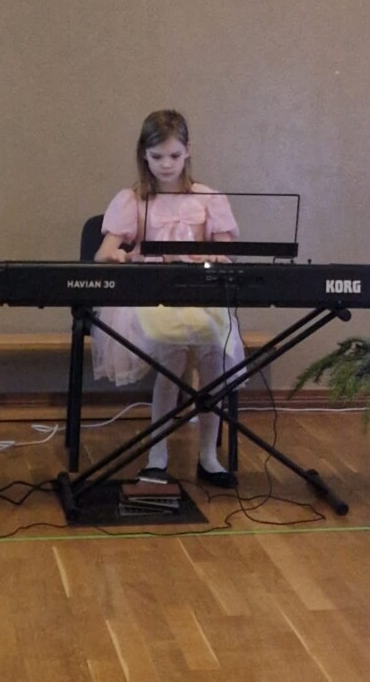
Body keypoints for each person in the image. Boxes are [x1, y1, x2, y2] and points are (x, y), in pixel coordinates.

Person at [92, 109, 244, 487]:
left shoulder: (208, 198)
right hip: (155, 295)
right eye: (157, 156)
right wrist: (120, 255)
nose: (166, 164)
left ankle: (208, 456)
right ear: (143, 154)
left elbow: (226, 252)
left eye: (174, 155)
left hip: (199, 294)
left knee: (214, 355)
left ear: (188, 151)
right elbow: (104, 252)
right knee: (170, 358)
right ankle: (157, 455)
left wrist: (213, 257)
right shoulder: (134, 199)